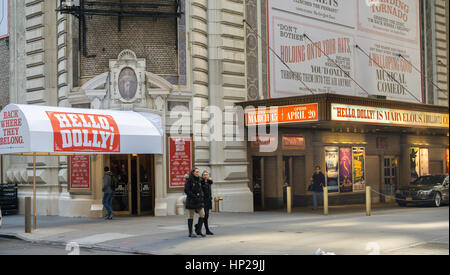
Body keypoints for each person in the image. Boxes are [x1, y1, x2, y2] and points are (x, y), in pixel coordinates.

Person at [184, 168, 206, 237]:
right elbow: (187, 190)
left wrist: (208, 180)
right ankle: (190, 233)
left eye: (198, 172)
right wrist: (194, 196)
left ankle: (198, 230)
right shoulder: (189, 180)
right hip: (191, 200)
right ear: (193, 172)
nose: (197, 173)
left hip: (199, 200)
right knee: (191, 216)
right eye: (196, 172)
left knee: (202, 214)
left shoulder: (199, 179)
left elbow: (205, 184)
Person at [196, 170, 214, 235]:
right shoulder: (201, 182)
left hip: (208, 201)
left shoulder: (209, 182)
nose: (205, 175)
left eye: (207, 174)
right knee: (204, 215)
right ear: (202, 176)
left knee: (206, 216)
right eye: (204, 174)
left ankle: (199, 227)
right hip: (203, 201)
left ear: (209, 176)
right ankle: (199, 228)